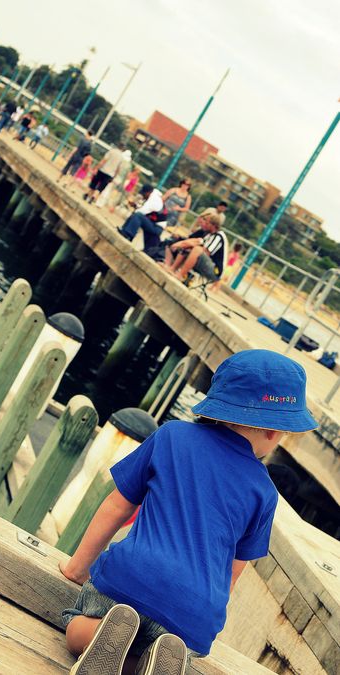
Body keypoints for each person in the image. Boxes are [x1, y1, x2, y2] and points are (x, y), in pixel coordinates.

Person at [60, 349, 317, 675]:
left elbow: (116, 506)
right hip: (192, 614)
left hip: (131, 578)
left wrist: (76, 569)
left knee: (76, 625)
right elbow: (232, 574)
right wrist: (199, 614)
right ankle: (152, 662)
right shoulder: (264, 492)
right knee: (163, 648)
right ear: (273, 431)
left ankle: (99, 636)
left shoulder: (172, 436)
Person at [166, 214, 228, 282]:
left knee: (197, 249)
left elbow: (206, 252)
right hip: (207, 263)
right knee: (189, 247)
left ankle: (180, 275)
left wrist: (188, 247)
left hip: (216, 271)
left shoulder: (219, 236)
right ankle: (172, 268)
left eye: (207, 223)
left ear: (213, 225)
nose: (205, 224)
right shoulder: (209, 235)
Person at [117, 185, 167, 251]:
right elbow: (145, 210)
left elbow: (142, 212)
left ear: (148, 193)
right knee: (136, 215)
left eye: (144, 194)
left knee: (137, 215)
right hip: (153, 224)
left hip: (157, 228)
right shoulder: (153, 197)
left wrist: (136, 208)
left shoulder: (155, 199)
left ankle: (128, 235)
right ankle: (124, 230)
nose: (143, 196)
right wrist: (135, 206)